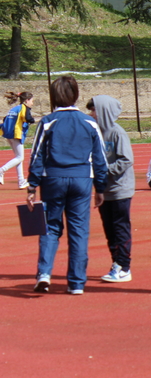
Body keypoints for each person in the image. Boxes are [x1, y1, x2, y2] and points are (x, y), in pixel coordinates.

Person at [25, 76, 108, 295]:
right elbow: (100, 159)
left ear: (54, 97)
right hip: (81, 180)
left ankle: (44, 273)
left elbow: (37, 156)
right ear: (76, 95)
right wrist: (100, 188)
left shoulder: (48, 121)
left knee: (50, 227)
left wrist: (32, 186)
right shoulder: (89, 122)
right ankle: (77, 283)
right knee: (79, 231)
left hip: (53, 179)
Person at [87, 96, 135, 283]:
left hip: (120, 189)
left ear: (104, 112)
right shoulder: (95, 133)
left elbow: (126, 160)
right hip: (104, 190)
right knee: (109, 230)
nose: (91, 114)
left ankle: (124, 267)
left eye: (94, 110)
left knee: (120, 228)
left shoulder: (117, 133)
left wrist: (104, 170)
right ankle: (116, 263)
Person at [1, 91, 35, 188]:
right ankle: (1, 170)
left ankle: (21, 181)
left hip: (8, 134)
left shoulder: (14, 109)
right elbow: (28, 117)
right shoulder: (24, 108)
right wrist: (32, 120)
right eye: (32, 101)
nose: (32, 103)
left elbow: (5, 120)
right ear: (26, 100)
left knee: (18, 157)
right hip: (16, 135)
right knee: (20, 157)